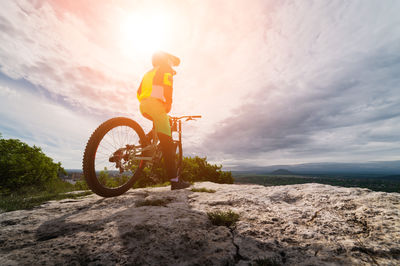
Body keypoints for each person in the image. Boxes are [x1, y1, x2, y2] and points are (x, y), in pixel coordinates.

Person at [137, 51, 191, 190]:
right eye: (170, 61)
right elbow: (168, 86)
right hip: (157, 105)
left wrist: (148, 101)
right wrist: (168, 103)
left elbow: (139, 92)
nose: (172, 64)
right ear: (166, 60)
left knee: (159, 124)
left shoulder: (149, 73)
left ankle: (145, 141)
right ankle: (175, 181)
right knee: (167, 143)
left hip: (143, 105)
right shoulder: (165, 69)